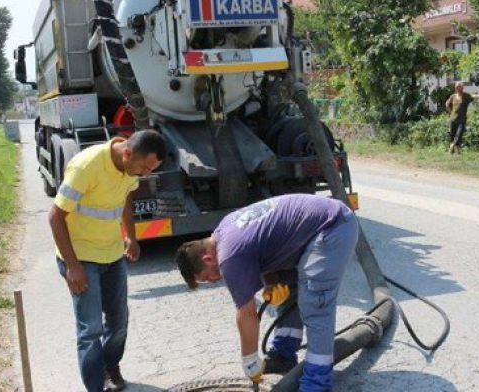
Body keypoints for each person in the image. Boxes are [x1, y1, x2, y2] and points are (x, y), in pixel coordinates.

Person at [175, 194, 359, 392]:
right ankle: (284, 353)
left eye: (206, 277)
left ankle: (317, 383)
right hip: (315, 228)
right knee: (288, 289)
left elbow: (246, 314)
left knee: (315, 304)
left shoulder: (228, 257)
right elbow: (263, 246)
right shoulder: (223, 231)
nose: (213, 281)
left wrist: (250, 360)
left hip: (332, 226)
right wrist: (271, 284)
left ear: (208, 258)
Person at [49, 130, 166, 392]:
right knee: (90, 330)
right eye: (145, 167)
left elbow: (125, 200)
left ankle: (110, 366)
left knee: (118, 320)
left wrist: (131, 238)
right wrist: (72, 266)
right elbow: (55, 216)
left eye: (151, 169)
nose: (146, 174)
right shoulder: (86, 166)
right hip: (80, 259)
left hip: (112, 255)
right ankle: (95, 387)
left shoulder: (130, 170)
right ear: (127, 153)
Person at [444, 81, 479, 154]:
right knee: (452, 136)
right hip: (453, 119)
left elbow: (474, 96)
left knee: (459, 135)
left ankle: (451, 147)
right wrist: (451, 112)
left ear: (462, 88)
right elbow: (447, 104)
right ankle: (457, 152)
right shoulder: (453, 96)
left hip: (462, 120)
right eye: (457, 87)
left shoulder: (466, 96)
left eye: (460, 87)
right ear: (455, 88)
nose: (458, 88)